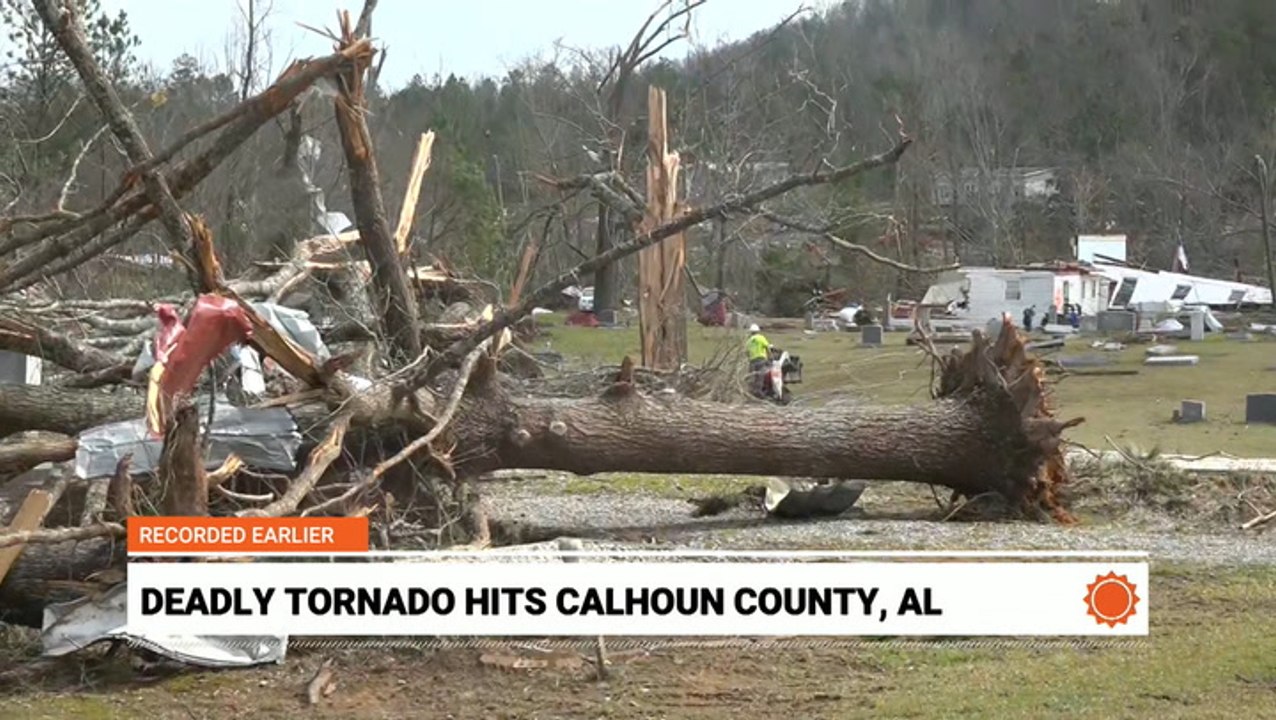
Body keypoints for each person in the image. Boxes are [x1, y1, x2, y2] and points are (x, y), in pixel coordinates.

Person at [746, 323, 771, 396]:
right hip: (761, 359)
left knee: (752, 376)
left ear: (751, 332)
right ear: (758, 331)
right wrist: (770, 357)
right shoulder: (761, 338)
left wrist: (749, 359)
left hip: (752, 361)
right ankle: (758, 392)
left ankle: (751, 391)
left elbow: (747, 352)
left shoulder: (749, 341)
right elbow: (767, 347)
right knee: (760, 376)